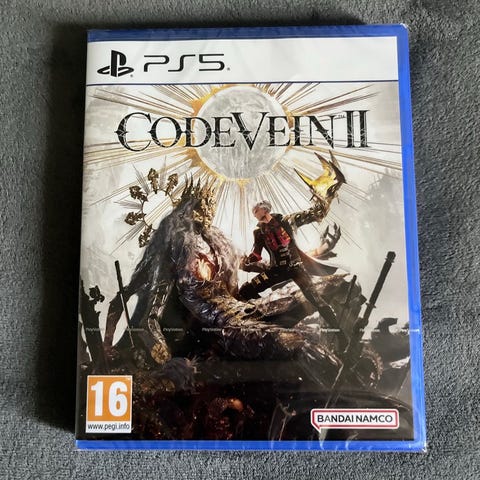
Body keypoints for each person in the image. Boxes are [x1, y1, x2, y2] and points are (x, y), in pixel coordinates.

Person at [238, 199, 347, 350]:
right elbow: (256, 254)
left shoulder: (286, 221)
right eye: (253, 211)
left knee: (316, 300)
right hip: (276, 270)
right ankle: (270, 318)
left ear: (265, 209)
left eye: (256, 210)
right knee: (246, 290)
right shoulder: (258, 232)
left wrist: (321, 204)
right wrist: (244, 260)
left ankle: (342, 336)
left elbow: (309, 216)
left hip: (296, 268)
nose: (254, 213)